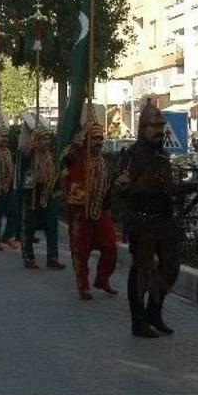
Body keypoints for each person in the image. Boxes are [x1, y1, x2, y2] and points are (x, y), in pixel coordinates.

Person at [115, 101, 198, 338]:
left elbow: (168, 188)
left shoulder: (161, 155)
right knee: (142, 272)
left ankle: (153, 313)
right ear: (143, 128)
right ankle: (138, 322)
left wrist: (196, 186)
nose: (159, 130)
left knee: (170, 268)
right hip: (141, 221)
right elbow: (122, 188)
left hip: (163, 221)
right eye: (154, 126)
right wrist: (126, 188)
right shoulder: (134, 155)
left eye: (161, 126)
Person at [61, 117, 118, 301]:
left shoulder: (102, 162)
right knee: (81, 251)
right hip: (80, 211)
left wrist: (109, 210)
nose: (98, 143)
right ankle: (83, 286)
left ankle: (102, 279)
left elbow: (107, 188)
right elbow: (65, 157)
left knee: (110, 247)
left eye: (101, 139)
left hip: (99, 210)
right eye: (95, 139)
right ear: (86, 140)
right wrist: (78, 138)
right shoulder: (76, 157)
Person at [18, 120, 65, 270]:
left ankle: (52, 257)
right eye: (43, 139)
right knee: (29, 227)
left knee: (52, 226)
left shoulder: (50, 156)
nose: (46, 142)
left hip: (49, 195)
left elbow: (55, 173)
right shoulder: (28, 154)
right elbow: (22, 166)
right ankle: (28, 256)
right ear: (36, 140)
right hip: (32, 196)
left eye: (47, 139)